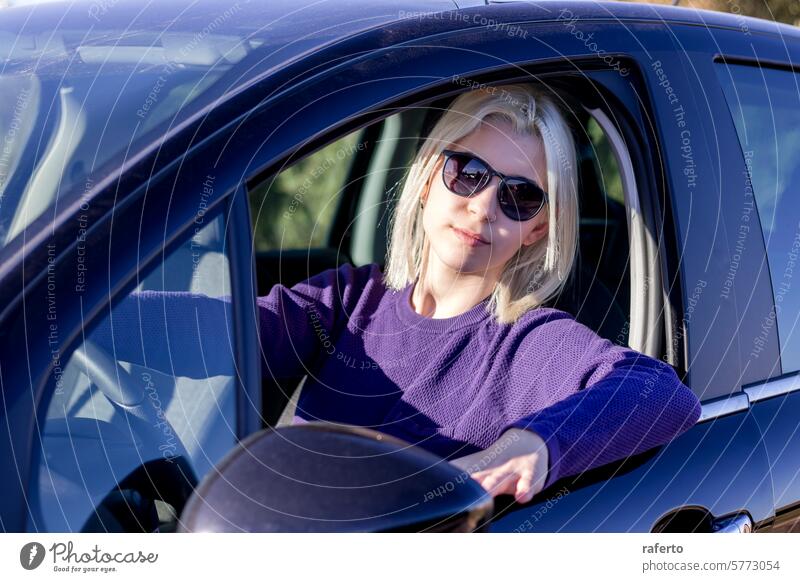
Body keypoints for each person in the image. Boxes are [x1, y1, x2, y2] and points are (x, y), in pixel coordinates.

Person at [94, 84, 701, 505]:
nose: (482, 205)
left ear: (537, 229)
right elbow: (220, 334)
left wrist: (532, 445)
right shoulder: (351, 303)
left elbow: (660, 393)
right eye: (468, 172)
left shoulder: (524, 344)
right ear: (429, 174)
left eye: (519, 197)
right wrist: (74, 324)